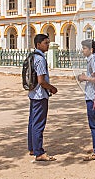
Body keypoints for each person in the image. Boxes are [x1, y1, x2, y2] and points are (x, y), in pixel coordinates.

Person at [27, 34, 58, 162]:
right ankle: (39, 152)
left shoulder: (32, 56)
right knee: (39, 123)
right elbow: (41, 80)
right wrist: (52, 88)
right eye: (46, 43)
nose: (48, 45)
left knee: (32, 122)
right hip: (40, 95)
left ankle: (33, 148)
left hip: (33, 94)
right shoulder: (40, 59)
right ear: (38, 44)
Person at [78, 39, 95, 161]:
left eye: (84, 48)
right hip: (90, 94)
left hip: (92, 95)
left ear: (91, 49)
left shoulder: (93, 60)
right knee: (94, 122)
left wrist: (85, 78)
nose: (83, 50)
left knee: (94, 122)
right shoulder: (91, 59)